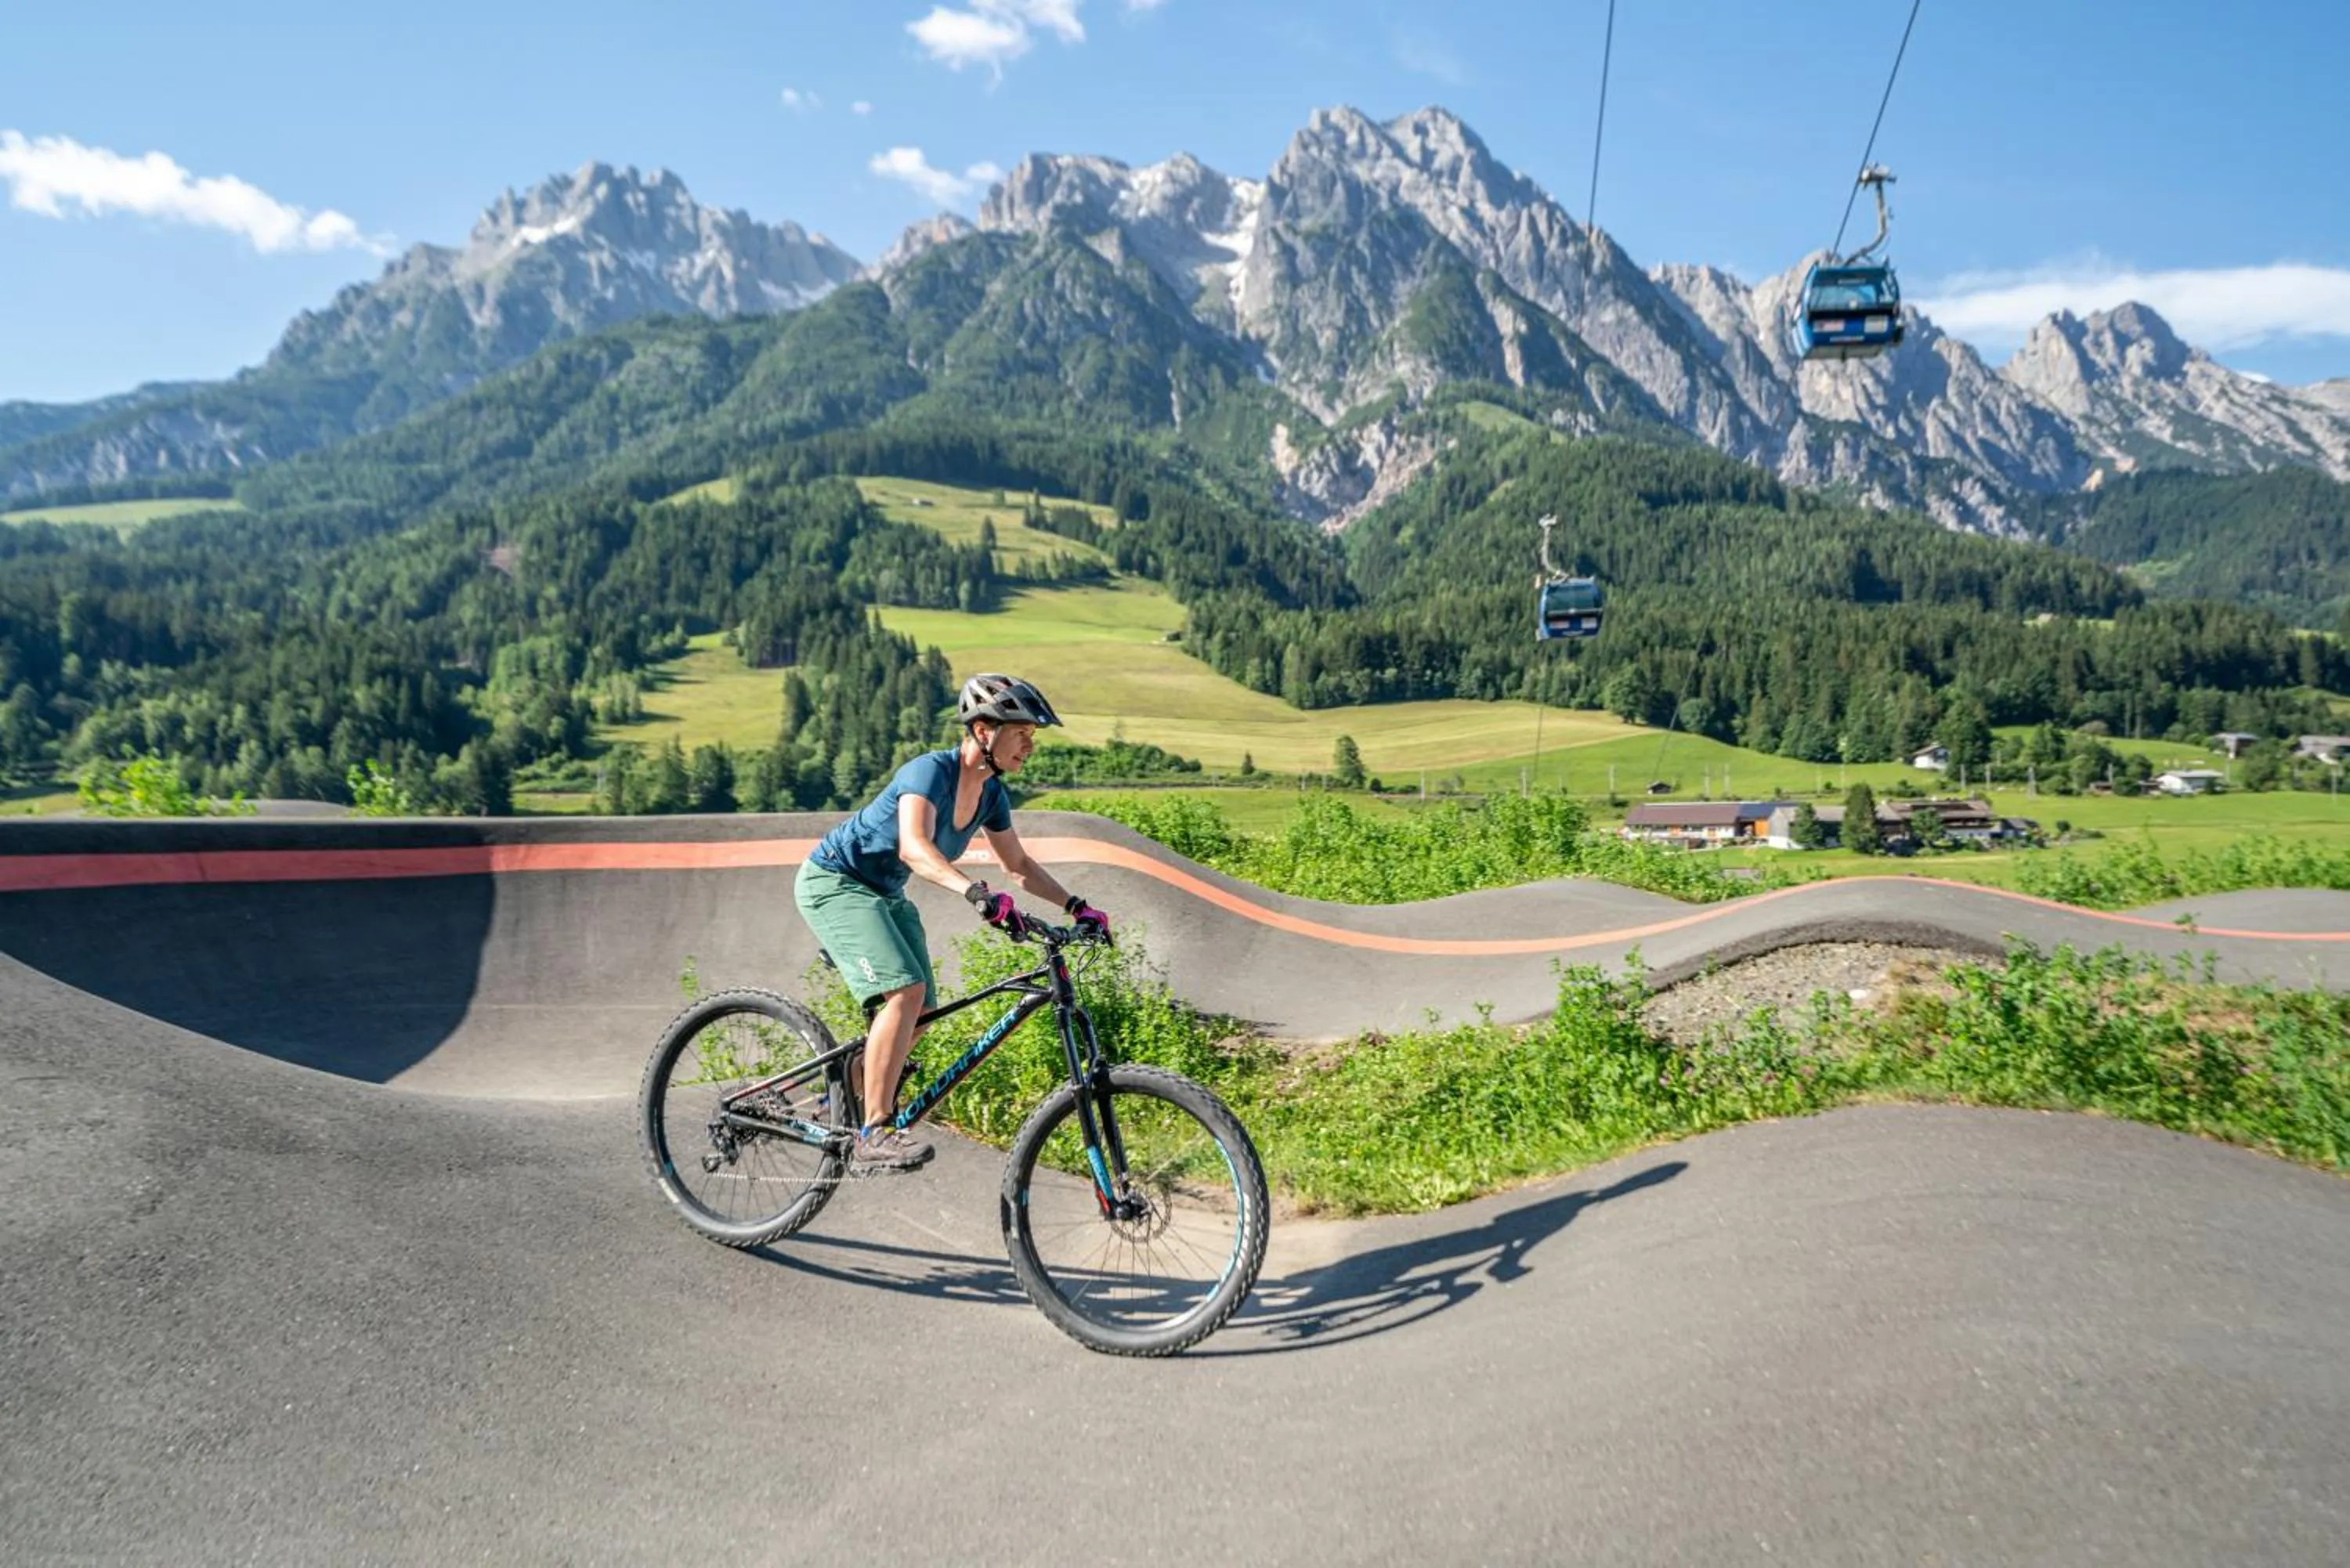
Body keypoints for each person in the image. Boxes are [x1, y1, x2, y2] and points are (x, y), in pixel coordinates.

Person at [794, 673, 1112, 1173]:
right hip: (835, 883)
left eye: (1033, 735)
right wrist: (974, 893)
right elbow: (913, 847)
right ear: (984, 730)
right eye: (1022, 732)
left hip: (885, 894)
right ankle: (873, 1132)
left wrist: (1077, 906)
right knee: (905, 993)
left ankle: (834, 1101)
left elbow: (1019, 866)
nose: (1030, 745)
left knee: (921, 1013)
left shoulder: (990, 795)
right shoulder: (929, 773)